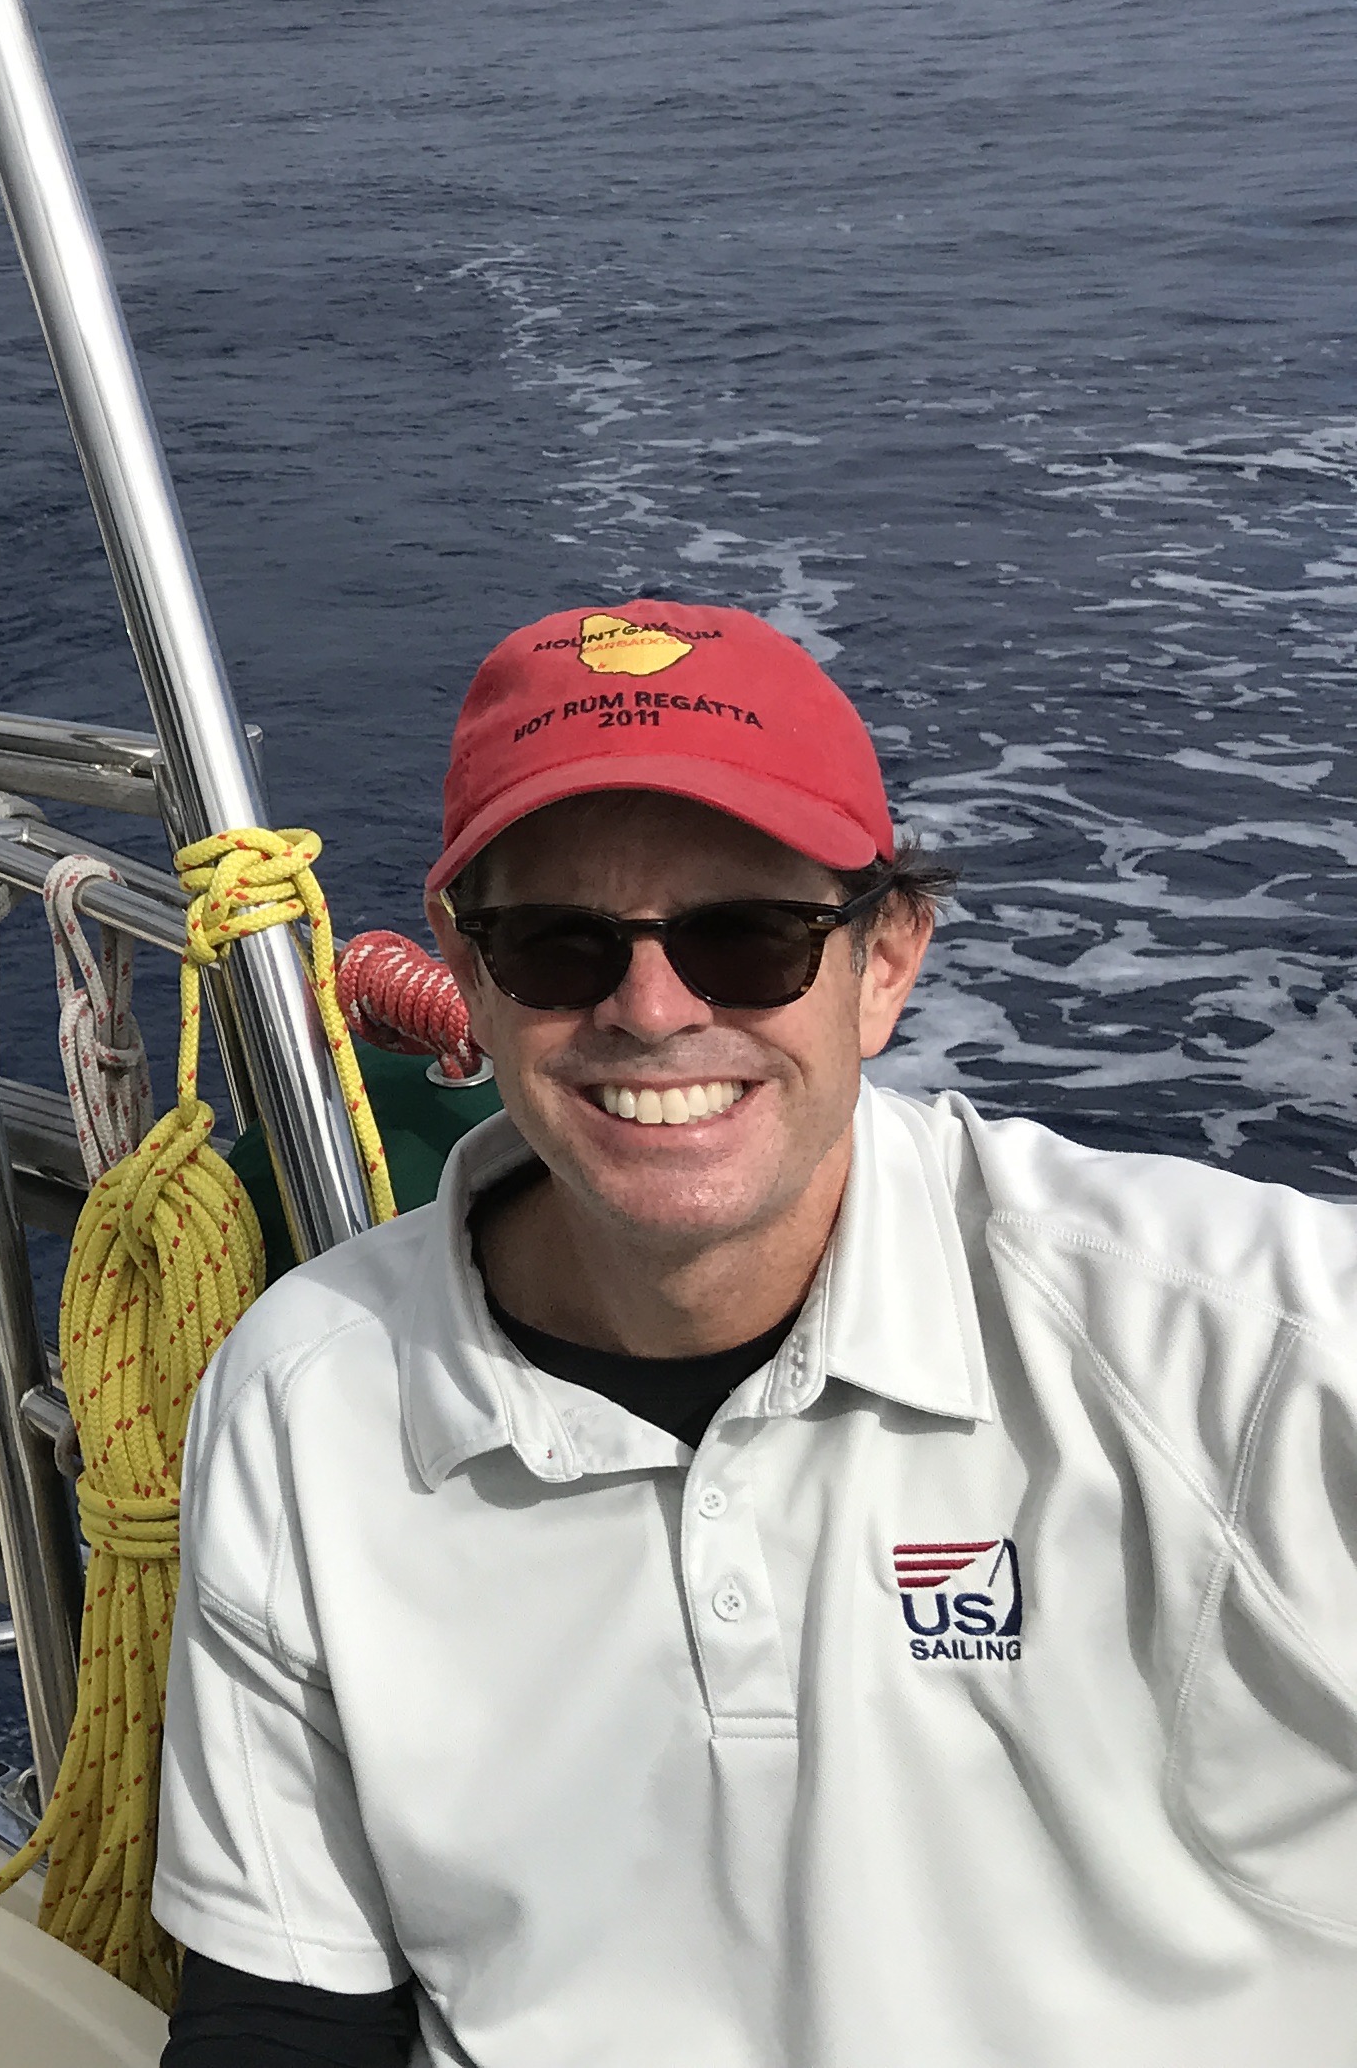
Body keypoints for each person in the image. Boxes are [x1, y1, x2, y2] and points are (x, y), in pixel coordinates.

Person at [149, 600, 1357, 2063]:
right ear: (468, 975)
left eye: (749, 938)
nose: (652, 1010)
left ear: (887, 963)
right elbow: (281, 2025)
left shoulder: (1253, 1343)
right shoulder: (305, 1398)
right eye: (559, 945)